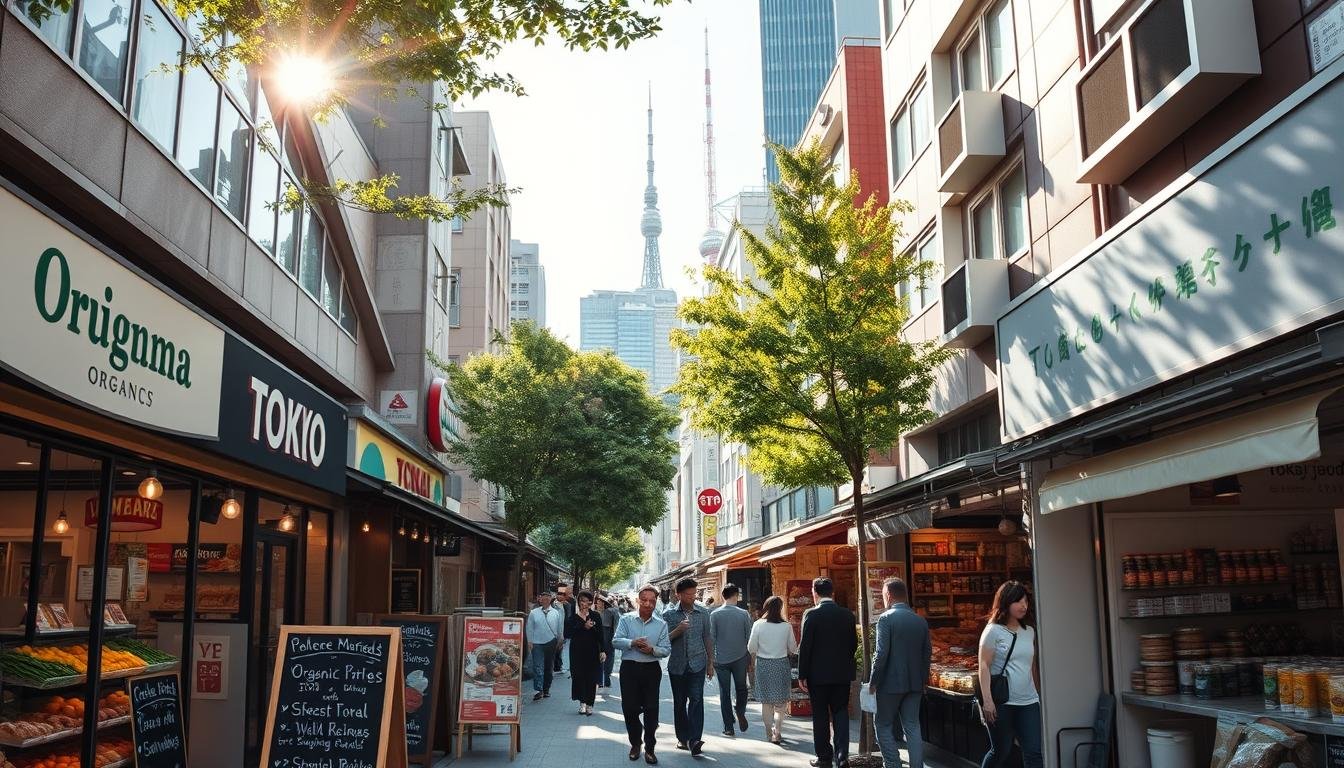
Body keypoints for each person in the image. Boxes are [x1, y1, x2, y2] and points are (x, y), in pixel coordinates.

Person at [977, 581, 1042, 768]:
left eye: (1026, 601)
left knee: (1034, 752)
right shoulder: (993, 631)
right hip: (1001, 703)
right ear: (1006, 603)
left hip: (1028, 702)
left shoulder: (1029, 632)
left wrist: (1037, 694)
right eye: (1018, 601)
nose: (1024, 606)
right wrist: (987, 701)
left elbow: (1032, 666)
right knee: (1000, 751)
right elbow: (983, 666)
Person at [869, 578, 931, 768]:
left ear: (888, 595)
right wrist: (923, 679)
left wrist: (873, 680)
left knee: (883, 725)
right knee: (912, 726)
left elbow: (881, 654)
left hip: (890, 683)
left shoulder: (886, 619)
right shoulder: (920, 621)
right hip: (915, 683)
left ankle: (893, 764)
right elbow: (927, 652)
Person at [798, 577, 858, 768]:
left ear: (814, 593)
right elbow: (853, 644)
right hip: (842, 674)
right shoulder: (847, 615)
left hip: (818, 676)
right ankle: (842, 756)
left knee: (820, 715)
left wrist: (802, 674)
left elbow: (805, 647)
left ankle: (824, 757)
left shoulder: (811, 615)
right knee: (841, 712)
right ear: (833, 593)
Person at [614, 584, 672, 765]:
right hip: (629, 668)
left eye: (652, 601)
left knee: (651, 709)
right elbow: (616, 641)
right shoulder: (626, 619)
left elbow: (666, 649)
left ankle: (650, 748)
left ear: (656, 603)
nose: (648, 604)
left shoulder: (661, 624)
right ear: (638, 600)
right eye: (645, 600)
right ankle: (635, 743)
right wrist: (632, 642)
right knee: (630, 709)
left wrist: (652, 650)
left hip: (651, 669)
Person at [664, 577, 714, 756]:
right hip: (677, 666)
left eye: (695, 593)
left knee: (697, 700)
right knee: (679, 703)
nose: (693, 597)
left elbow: (707, 637)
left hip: (698, 664)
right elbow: (663, 641)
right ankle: (682, 738)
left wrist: (710, 663)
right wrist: (677, 630)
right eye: (688, 594)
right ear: (678, 595)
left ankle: (694, 740)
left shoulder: (703, 613)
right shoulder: (669, 615)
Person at [748, 595, 798, 745]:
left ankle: (769, 734)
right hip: (781, 664)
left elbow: (751, 648)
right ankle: (778, 731)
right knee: (780, 704)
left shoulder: (758, 624)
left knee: (766, 704)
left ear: (766, 607)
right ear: (781, 608)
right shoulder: (786, 626)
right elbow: (793, 648)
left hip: (763, 665)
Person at [710, 583, 753, 737]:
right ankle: (740, 711)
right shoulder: (744, 614)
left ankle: (728, 726)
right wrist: (749, 657)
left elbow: (712, 638)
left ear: (723, 596)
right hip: (740, 657)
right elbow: (749, 637)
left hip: (720, 659)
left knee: (725, 692)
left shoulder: (714, 614)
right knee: (741, 688)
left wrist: (711, 660)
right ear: (736, 596)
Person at [566, 590, 609, 715]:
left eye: (587, 601)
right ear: (578, 602)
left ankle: (590, 704)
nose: (584, 604)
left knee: (591, 678)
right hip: (577, 652)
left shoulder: (595, 616)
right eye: (582, 601)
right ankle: (582, 703)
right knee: (579, 677)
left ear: (591, 603)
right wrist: (583, 626)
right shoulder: (573, 617)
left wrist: (603, 650)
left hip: (592, 651)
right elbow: (568, 633)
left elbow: (601, 635)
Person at [524, 589, 565, 701]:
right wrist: (530, 641)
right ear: (540, 599)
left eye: (548, 597)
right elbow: (529, 628)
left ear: (551, 599)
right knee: (537, 666)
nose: (545, 599)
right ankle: (539, 690)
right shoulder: (534, 612)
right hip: (537, 643)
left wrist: (560, 640)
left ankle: (546, 688)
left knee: (548, 666)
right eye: (543, 597)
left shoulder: (555, 613)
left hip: (551, 642)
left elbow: (560, 628)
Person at [598, 593, 622, 690]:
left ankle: (603, 679)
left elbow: (615, 627)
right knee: (606, 658)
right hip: (605, 636)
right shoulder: (612, 612)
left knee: (605, 657)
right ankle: (604, 678)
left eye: (599, 603)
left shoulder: (609, 612)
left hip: (607, 636)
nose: (597, 605)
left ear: (604, 603)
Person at [554, 582, 575, 677]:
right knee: (558, 647)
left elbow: (570, 617)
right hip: (557, 629)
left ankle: (561, 665)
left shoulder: (570, 603)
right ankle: (558, 665)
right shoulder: (554, 603)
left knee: (562, 647)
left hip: (566, 630)